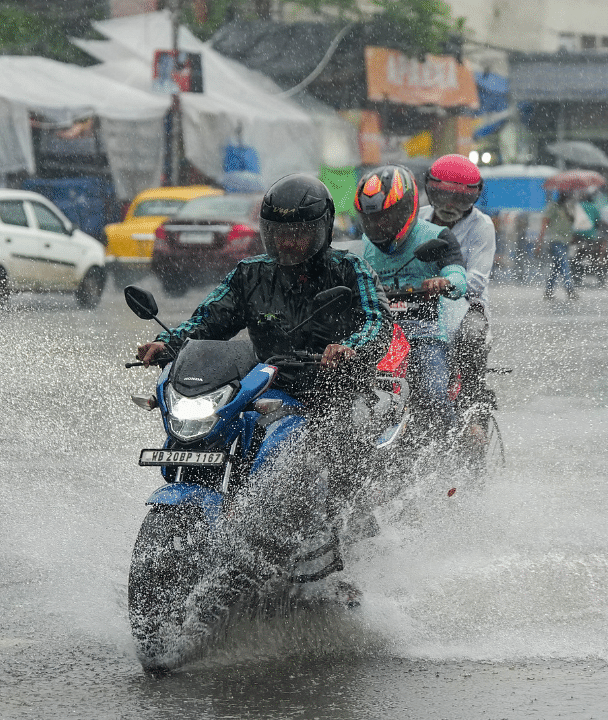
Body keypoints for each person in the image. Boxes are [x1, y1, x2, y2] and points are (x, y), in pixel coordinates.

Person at [133, 174, 389, 661]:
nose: (289, 241)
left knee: (318, 467)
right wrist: (170, 343)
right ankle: (210, 547)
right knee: (218, 431)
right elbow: (208, 320)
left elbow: (378, 323)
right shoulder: (251, 273)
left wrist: (349, 348)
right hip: (268, 389)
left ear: (323, 229)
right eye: (279, 231)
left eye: (299, 232)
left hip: (332, 393)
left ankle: (337, 557)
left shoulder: (350, 271)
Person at [354, 164, 468, 436]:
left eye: (387, 217)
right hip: (380, 337)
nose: (379, 226)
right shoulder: (365, 245)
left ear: (408, 208)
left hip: (425, 334)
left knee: (432, 393)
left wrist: (444, 282)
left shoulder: (436, 236)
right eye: (373, 220)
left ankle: (454, 449)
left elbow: (459, 276)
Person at [419, 154, 496, 423]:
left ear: (473, 199)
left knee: (472, 337)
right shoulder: (418, 218)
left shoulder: (482, 226)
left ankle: (473, 411)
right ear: (429, 190)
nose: (450, 206)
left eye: (460, 199)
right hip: (415, 302)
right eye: (442, 197)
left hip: (465, 305)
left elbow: (477, 280)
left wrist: (446, 284)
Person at [539, 190, 577, 300]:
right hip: (556, 241)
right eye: (563, 194)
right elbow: (545, 222)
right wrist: (539, 241)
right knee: (564, 264)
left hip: (566, 241)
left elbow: (573, 222)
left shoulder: (569, 207)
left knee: (556, 267)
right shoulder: (553, 207)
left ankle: (549, 290)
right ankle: (570, 289)